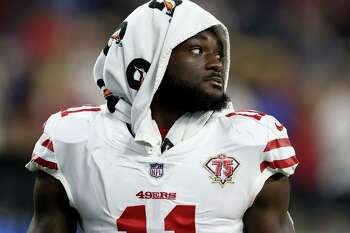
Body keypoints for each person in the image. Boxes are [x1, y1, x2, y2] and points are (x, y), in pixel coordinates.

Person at [26, 0, 299, 232]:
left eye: (219, 53)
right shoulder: (74, 140)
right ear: (149, 57)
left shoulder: (251, 142)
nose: (216, 62)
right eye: (197, 50)